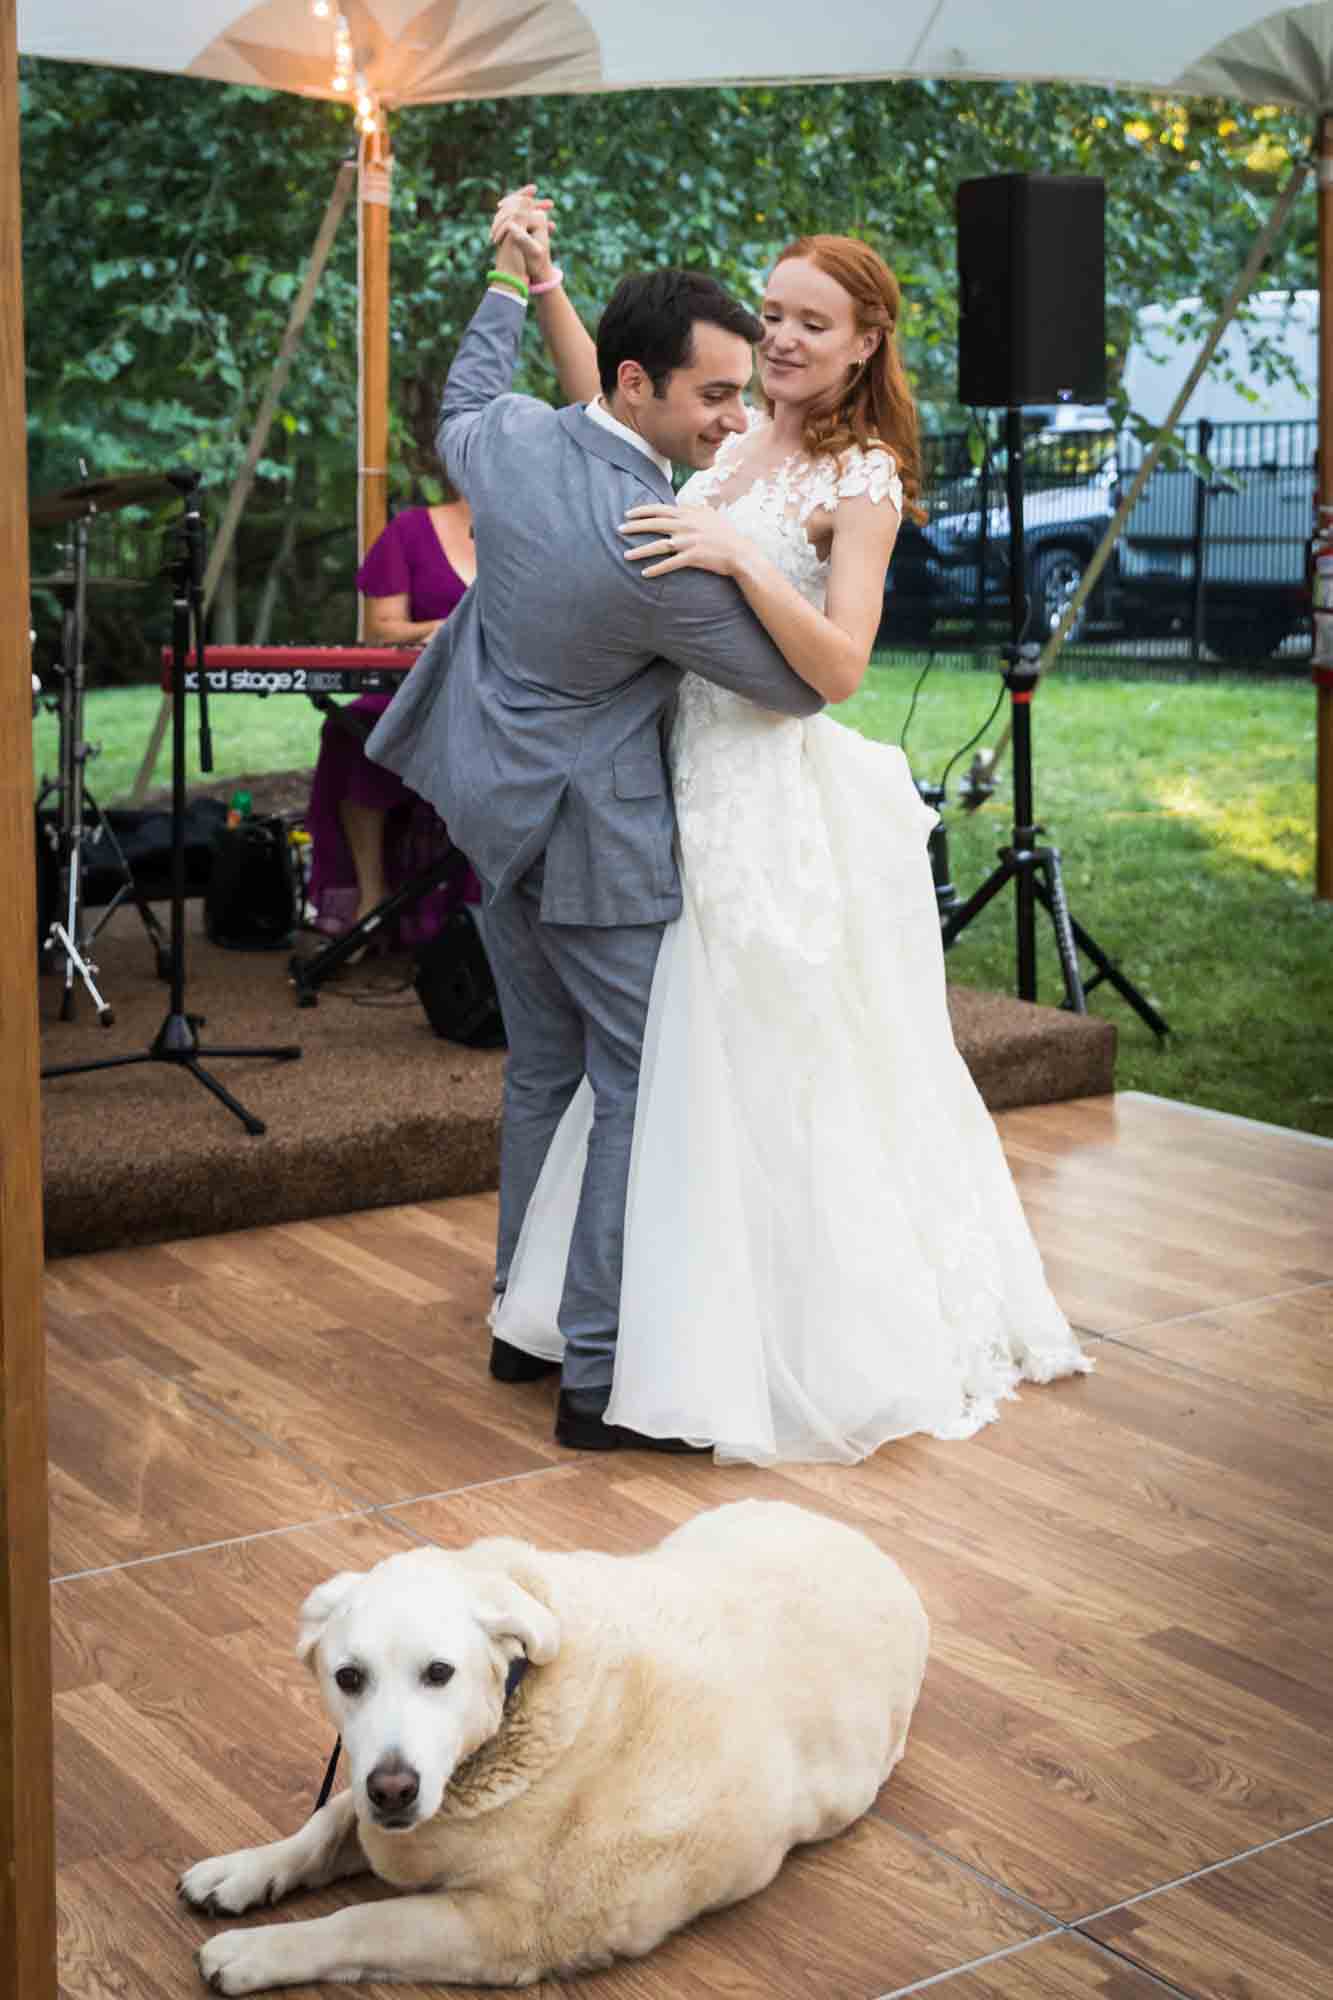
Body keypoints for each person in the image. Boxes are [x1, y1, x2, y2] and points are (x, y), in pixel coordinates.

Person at [485, 190, 1091, 1465]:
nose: (782, 340)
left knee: (755, 1054)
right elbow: (617, 394)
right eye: (770, 315)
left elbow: (843, 666)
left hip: (763, 790)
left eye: (812, 322)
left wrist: (744, 558)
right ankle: (637, 1316)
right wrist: (542, 285)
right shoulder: (732, 430)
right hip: (670, 775)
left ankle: (760, 1332)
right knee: (659, 1058)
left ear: (868, 339)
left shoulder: (857, 478)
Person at [365, 228, 824, 1454]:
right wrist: (740, 560)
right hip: (599, 852)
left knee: (538, 1074)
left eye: (742, 390)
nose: (734, 416)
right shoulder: (656, 545)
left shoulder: (510, 443)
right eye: (714, 393)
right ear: (635, 385)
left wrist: (512, 275)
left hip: (490, 823)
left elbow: (464, 391)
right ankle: (596, 1372)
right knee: (626, 1089)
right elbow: (794, 686)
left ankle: (521, 1326)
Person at [304, 499, 475, 948]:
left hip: (506, 694)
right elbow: (383, 625)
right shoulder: (410, 530)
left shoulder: (542, 520)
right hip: (418, 688)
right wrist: (442, 627)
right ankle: (372, 895)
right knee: (356, 727)